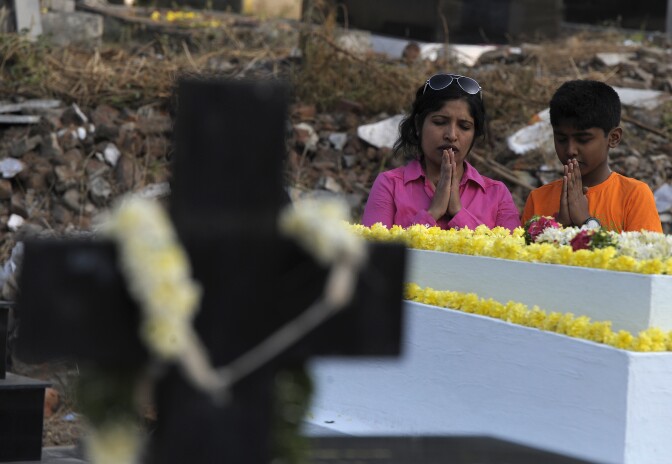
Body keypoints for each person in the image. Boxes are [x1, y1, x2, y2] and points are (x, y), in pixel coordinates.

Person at [361, 73, 521, 231]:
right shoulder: (390, 185)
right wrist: (432, 213)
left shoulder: (497, 194)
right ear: (418, 125)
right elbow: (378, 253)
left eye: (464, 126)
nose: (451, 135)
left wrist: (458, 212)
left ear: (475, 134)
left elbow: (508, 254)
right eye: (439, 122)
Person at [521, 80, 662, 233]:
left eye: (583, 139)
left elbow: (643, 256)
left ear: (613, 138)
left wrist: (586, 221)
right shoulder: (538, 199)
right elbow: (523, 256)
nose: (570, 150)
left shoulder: (633, 196)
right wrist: (559, 225)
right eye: (561, 139)